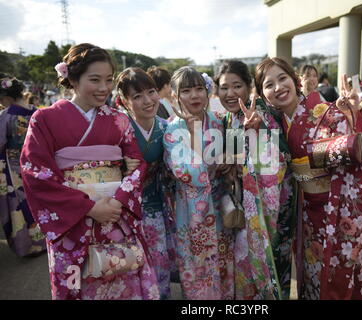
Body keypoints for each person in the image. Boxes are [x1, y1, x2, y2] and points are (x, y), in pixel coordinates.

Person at [20, 43, 160, 300]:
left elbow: (138, 164)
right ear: (72, 79)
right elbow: (35, 172)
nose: (104, 88)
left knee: (123, 275)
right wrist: (88, 208)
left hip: (116, 215)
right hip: (74, 220)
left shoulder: (119, 119)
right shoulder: (44, 119)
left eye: (108, 80)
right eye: (94, 80)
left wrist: (119, 200)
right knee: (79, 282)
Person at [254, 57, 362, 300]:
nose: (278, 88)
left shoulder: (327, 112)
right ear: (262, 94)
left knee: (336, 275)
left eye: (283, 79)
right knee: (310, 274)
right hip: (304, 212)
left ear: (294, 80)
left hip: (337, 207)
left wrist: (354, 118)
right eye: (269, 85)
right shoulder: (274, 124)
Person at [215, 60, 295, 299]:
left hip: (271, 208)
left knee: (269, 268)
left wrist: (259, 134)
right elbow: (235, 159)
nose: (230, 93)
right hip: (246, 208)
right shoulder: (230, 118)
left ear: (249, 86)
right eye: (223, 87)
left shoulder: (260, 112)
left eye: (237, 86)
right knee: (246, 268)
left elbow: (283, 157)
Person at [163, 66, 234, 299]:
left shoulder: (219, 121)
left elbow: (236, 156)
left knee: (224, 264)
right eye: (186, 91)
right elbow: (185, 172)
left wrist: (229, 161)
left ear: (207, 91)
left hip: (220, 205)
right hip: (191, 209)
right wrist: (193, 135)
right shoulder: (172, 129)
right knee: (197, 269)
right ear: (175, 95)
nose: (194, 96)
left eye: (199, 89)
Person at [115, 67, 177, 299]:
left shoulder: (166, 126)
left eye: (151, 91)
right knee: (129, 266)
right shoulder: (117, 129)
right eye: (137, 96)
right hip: (124, 210)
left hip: (157, 206)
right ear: (124, 101)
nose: (148, 100)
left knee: (159, 264)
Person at [0, 76, 46, 256]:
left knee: (21, 205)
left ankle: (32, 244)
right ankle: (47, 237)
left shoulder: (7, 115)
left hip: (15, 166)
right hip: (39, 163)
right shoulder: (38, 112)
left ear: (6, 98)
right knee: (41, 201)